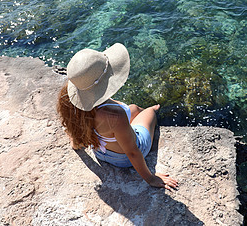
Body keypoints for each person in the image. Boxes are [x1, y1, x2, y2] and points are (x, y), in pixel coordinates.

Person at [57, 43, 178, 190]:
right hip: (123, 159)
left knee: (133, 109)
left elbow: (74, 134)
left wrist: (76, 144)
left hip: (101, 153)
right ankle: (155, 108)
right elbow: (133, 152)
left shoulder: (72, 101)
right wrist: (151, 178)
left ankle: (142, 112)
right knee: (150, 112)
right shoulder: (115, 116)